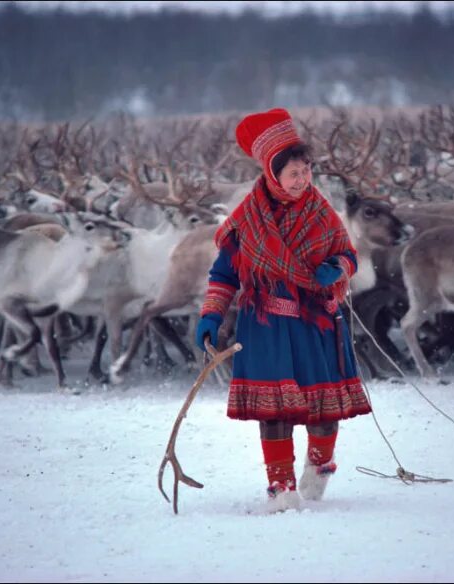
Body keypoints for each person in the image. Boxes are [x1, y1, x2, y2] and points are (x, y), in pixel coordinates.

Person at [194, 108, 372, 513]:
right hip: (266, 327)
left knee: (322, 412)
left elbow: (348, 255)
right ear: (273, 174)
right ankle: (281, 488)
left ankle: (319, 467)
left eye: (307, 171)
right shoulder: (246, 222)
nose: (302, 180)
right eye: (294, 173)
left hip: (316, 324)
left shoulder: (321, 212)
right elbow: (224, 275)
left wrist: (337, 269)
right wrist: (211, 316)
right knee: (274, 414)